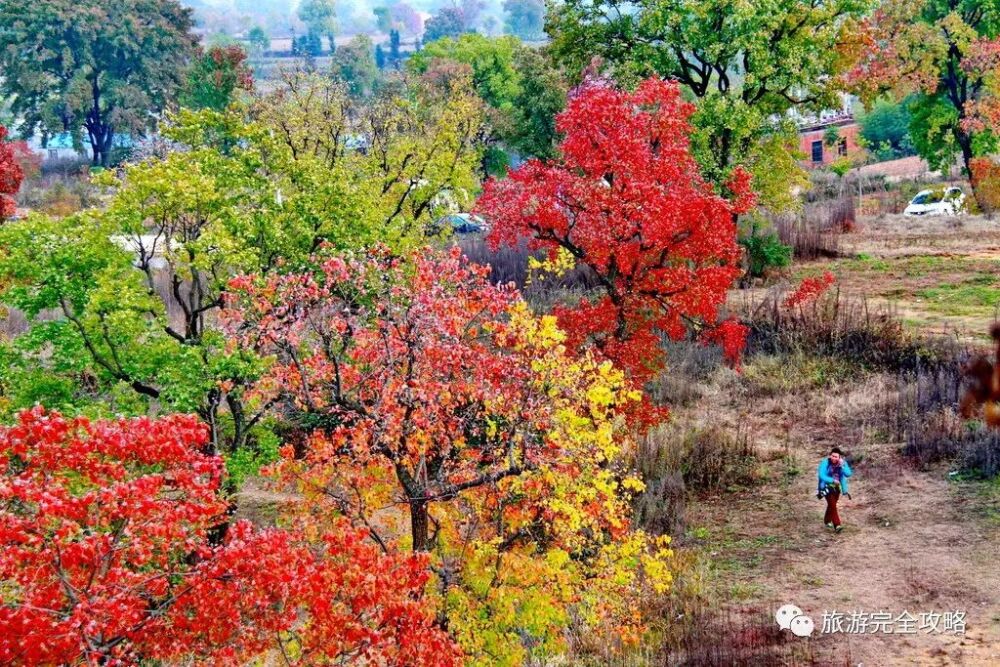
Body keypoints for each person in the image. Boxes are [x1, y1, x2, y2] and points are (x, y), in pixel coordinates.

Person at [817, 447, 853, 532]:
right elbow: (821, 475)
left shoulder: (842, 464)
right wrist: (832, 480)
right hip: (826, 486)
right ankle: (837, 525)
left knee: (831, 505)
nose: (833, 458)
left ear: (839, 457)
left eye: (836, 456)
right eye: (832, 456)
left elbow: (848, 474)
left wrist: (842, 465)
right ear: (830, 456)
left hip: (836, 487)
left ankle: (827, 520)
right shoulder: (825, 463)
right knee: (832, 504)